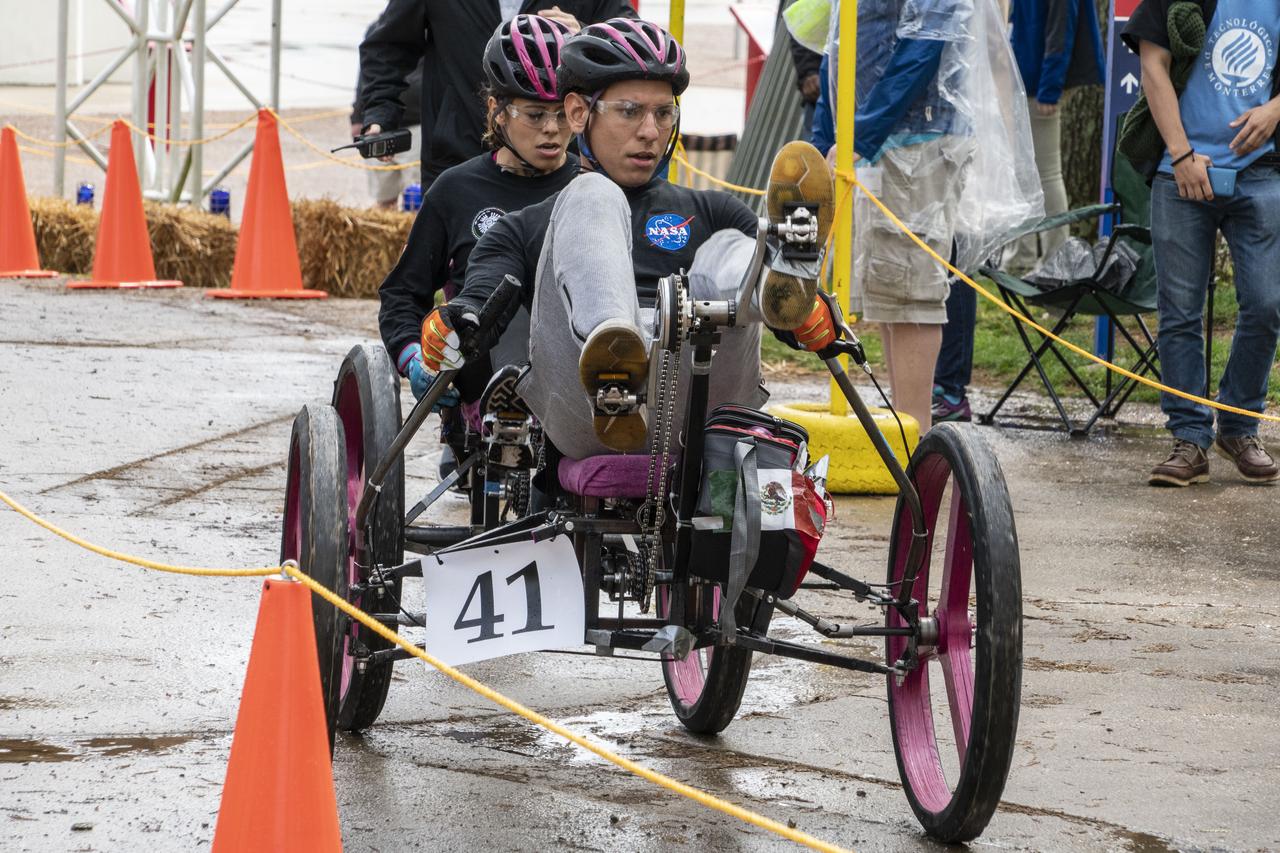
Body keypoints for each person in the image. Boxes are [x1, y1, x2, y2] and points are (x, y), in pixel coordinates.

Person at [416, 19, 842, 462]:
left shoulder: (712, 211)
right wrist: (456, 320)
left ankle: (780, 281)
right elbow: (483, 295)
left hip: (706, 408)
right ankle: (613, 353)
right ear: (579, 113)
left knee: (731, 245)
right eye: (629, 111)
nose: (650, 132)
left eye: (663, 113)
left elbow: (798, 322)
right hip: (583, 411)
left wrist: (811, 317)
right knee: (594, 193)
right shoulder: (523, 227)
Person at [378, 15, 578, 470]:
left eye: (562, 113)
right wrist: (414, 358)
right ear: (496, 110)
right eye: (534, 114)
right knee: (506, 292)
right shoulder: (455, 190)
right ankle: (508, 405)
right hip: (483, 379)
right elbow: (401, 295)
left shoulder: (593, 186)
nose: (551, 129)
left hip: (576, 375)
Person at [1124, 0, 1280, 486]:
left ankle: (1237, 426)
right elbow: (1153, 63)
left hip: (1263, 173)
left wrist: (1276, 108)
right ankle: (1189, 438)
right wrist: (1181, 153)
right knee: (1180, 310)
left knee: (1268, 303)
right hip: (1182, 170)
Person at [812, 0, 974, 432]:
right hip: (874, 139)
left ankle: (918, 442)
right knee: (887, 293)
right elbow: (841, 43)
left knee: (911, 294)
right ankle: (906, 434)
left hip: (915, 137)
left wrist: (859, 133)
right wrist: (826, 136)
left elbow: (926, 42)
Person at [358, 1, 636, 189]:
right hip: (458, 153)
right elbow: (387, 46)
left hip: (559, 159)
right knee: (451, 273)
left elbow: (634, 43)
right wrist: (380, 113)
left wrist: (586, 37)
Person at [1006, 0, 1105, 271]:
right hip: (1027, 76)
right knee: (1022, 169)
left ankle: (1056, 261)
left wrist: (1049, 88)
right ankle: (1022, 255)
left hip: (1043, 82)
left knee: (1047, 173)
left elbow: (1062, 29)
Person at [351, 19, 424, 209]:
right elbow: (367, 76)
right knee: (383, 197)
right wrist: (358, 117)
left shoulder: (432, 23)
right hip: (380, 124)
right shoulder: (377, 27)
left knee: (415, 196)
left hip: (419, 122)